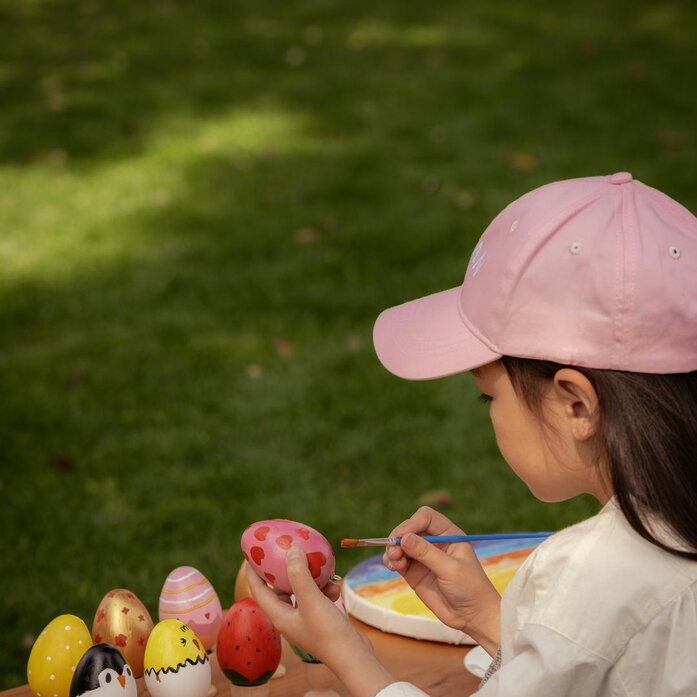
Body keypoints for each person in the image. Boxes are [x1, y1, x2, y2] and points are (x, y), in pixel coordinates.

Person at [246, 172, 697, 697]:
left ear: (577, 404)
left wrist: (345, 651)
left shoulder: (589, 577)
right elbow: (608, 664)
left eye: (491, 396)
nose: (490, 413)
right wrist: (490, 617)